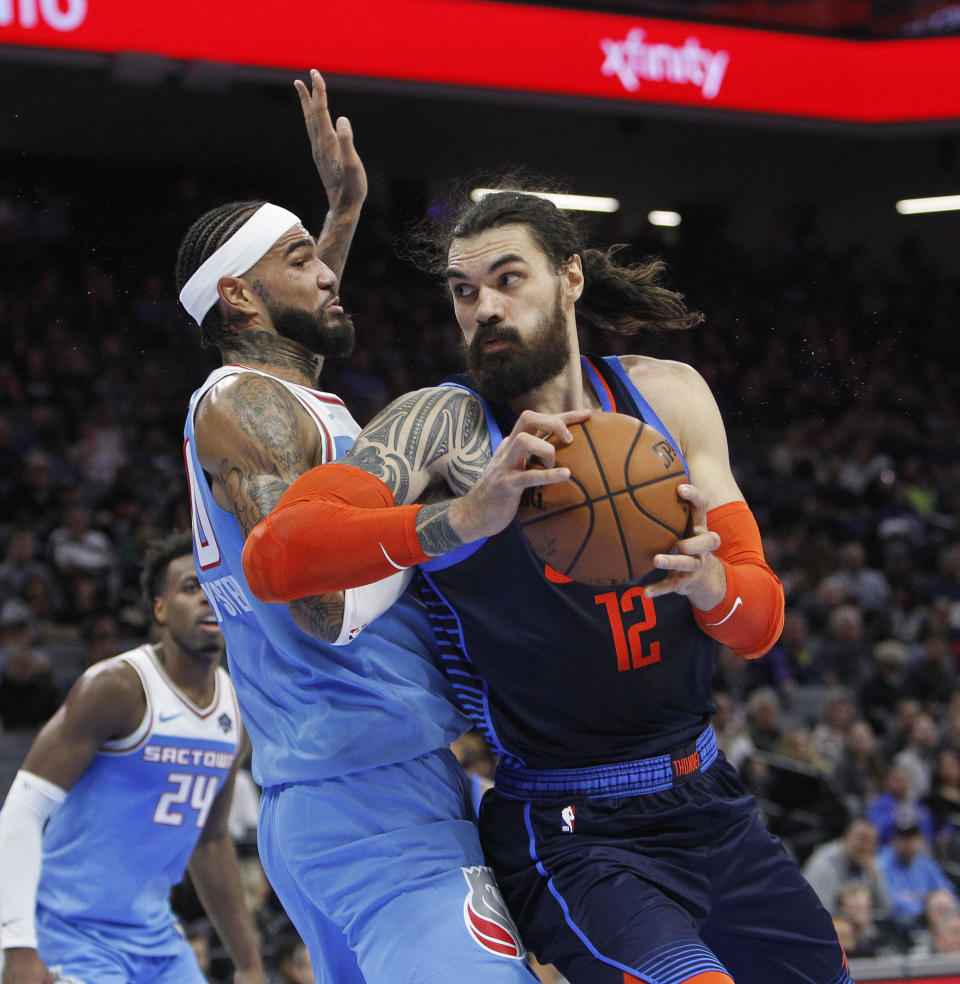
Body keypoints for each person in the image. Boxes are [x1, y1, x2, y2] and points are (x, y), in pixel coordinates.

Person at [242, 188, 851, 983]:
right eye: (464, 292)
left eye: (508, 279)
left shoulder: (666, 396)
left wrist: (709, 584)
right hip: (571, 828)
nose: (484, 307)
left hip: (709, 800)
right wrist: (460, 519)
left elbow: (759, 624)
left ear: (569, 278)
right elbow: (276, 557)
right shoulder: (441, 431)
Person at [177, 72, 537, 984]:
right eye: (301, 258)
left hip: (347, 791)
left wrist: (342, 208)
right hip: (372, 799)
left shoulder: (278, 396)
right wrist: (458, 518)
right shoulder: (244, 406)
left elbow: (292, 323)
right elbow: (318, 600)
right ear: (239, 297)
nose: (329, 271)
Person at [0, 531, 265, 984]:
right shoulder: (118, 687)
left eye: (216, 584)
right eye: (189, 587)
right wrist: (18, 945)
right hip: (70, 933)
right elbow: (22, 809)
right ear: (159, 608)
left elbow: (211, 840)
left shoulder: (236, 710)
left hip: (157, 939)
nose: (208, 598)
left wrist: (248, 964)